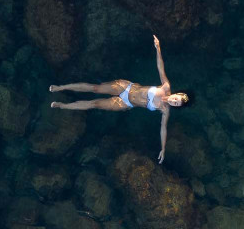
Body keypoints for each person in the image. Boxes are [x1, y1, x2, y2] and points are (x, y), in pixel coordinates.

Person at [49, 35, 189, 163]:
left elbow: (163, 129)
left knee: (95, 104)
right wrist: (158, 48)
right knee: (95, 88)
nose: (173, 101)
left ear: (176, 106)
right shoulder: (165, 87)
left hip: (125, 103)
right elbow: (160, 68)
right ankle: (61, 88)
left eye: (176, 103)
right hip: (126, 87)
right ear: (176, 94)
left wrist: (163, 148)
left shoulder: (165, 110)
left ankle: (62, 105)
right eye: (176, 98)